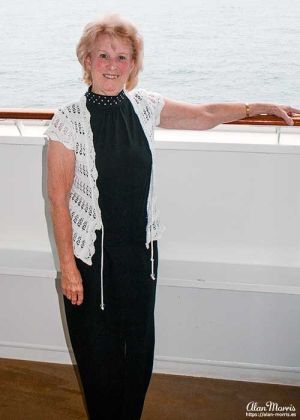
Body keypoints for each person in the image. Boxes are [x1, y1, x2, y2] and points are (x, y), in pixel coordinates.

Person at [45, 12, 300, 420]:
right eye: (104, 55)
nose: (113, 65)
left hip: (142, 256)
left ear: (133, 65)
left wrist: (257, 106)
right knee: (98, 358)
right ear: (87, 60)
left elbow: (203, 115)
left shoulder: (144, 107)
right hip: (92, 261)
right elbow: (58, 200)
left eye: (123, 57)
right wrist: (68, 267)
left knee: (139, 353)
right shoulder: (69, 121)